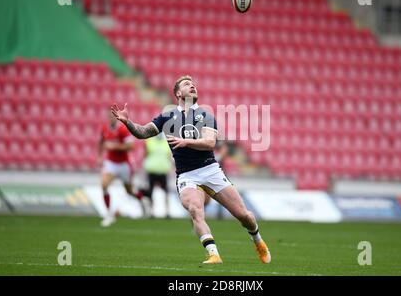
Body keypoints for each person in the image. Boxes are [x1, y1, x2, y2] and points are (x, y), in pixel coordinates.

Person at [110, 75, 271, 264]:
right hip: (187, 175)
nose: (192, 86)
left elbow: (210, 142)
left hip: (211, 170)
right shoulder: (167, 116)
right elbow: (144, 132)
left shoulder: (206, 115)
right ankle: (213, 253)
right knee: (195, 210)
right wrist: (128, 123)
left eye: (194, 84)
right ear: (178, 93)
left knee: (244, 216)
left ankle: (258, 240)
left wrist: (187, 141)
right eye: (187, 84)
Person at [97, 110, 143, 227]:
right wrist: (99, 156)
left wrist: (115, 146)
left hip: (124, 164)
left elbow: (131, 146)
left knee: (129, 191)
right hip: (111, 163)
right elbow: (101, 142)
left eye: (113, 117)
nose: (111, 119)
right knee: (104, 185)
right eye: (109, 116)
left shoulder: (122, 129)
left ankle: (142, 200)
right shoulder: (105, 128)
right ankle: (109, 215)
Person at [140, 133, 173, 218]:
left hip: (163, 170)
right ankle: (152, 211)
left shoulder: (166, 143)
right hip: (152, 170)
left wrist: (171, 169)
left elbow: (169, 157)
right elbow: (145, 155)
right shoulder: (149, 142)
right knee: (151, 192)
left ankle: (167, 211)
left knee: (166, 192)